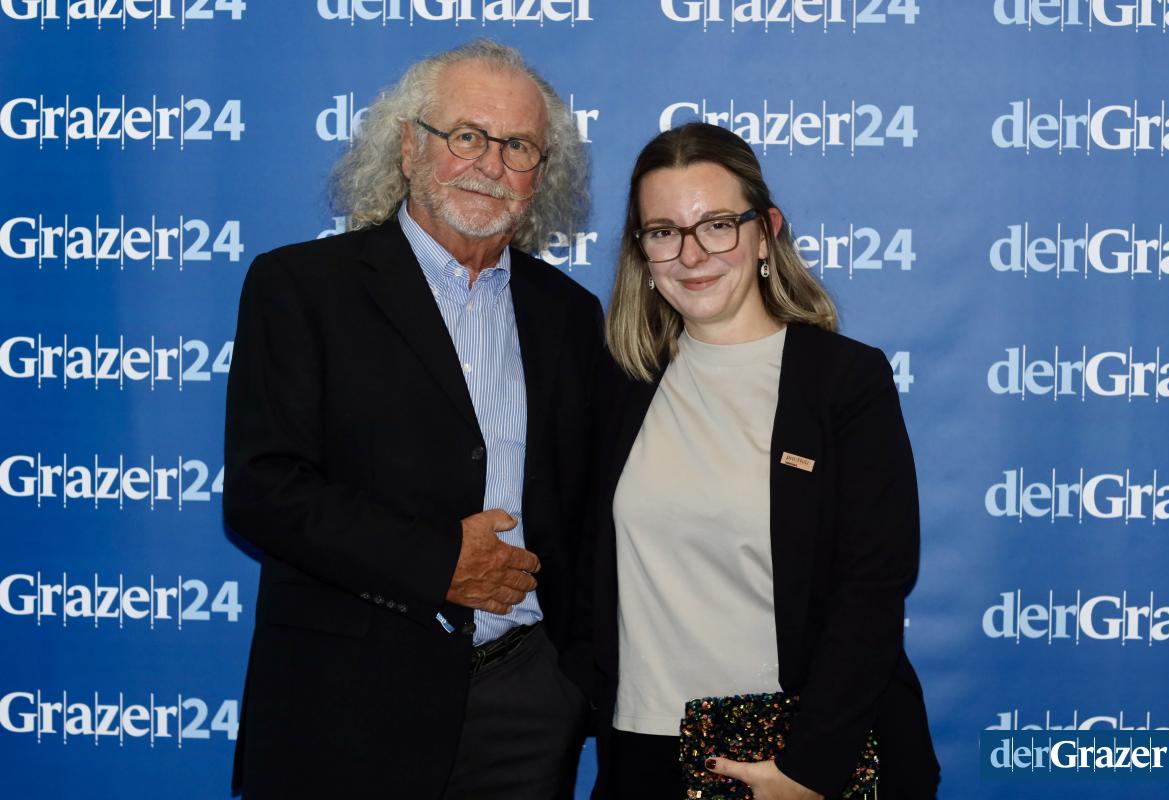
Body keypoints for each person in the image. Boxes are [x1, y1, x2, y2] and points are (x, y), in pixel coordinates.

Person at [223, 39, 600, 800]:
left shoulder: (570, 314)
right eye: (466, 135)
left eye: (518, 146)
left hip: (527, 708)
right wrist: (438, 561)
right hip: (345, 708)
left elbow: (589, 505)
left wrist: (573, 681)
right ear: (408, 146)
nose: (490, 163)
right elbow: (264, 491)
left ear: (541, 172)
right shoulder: (300, 286)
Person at [586, 122, 940, 799]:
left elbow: (873, 584)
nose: (691, 253)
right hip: (641, 749)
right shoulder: (620, 383)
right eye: (663, 231)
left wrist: (810, 766)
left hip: (792, 755)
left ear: (765, 233)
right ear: (641, 252)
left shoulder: (843, 382)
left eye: (717, 225)